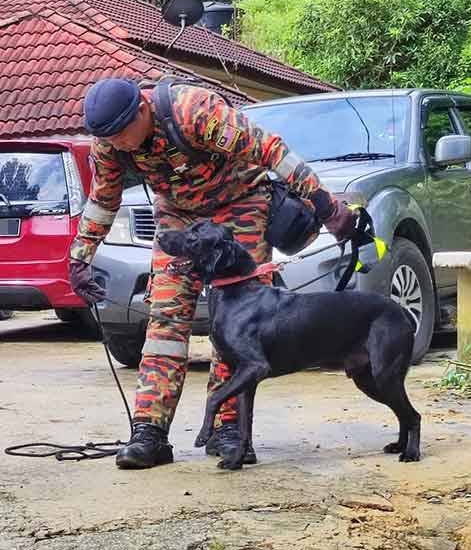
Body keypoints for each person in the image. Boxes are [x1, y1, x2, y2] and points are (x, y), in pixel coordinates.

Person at [68, 78, 357, 470]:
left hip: (239, 206)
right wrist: (80, 257)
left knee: (240, 323)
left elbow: (272, 150)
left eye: (121, 134)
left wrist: (326, 205)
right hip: (179, 218)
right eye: (109, 138)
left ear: (142, 110)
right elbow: (103, 199)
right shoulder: (108, 142)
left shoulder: (194, 111)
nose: (118, 144)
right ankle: (149, 431)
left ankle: (228, 427)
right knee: (165, 321)